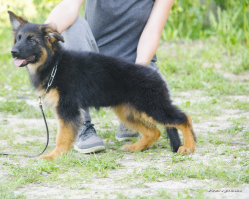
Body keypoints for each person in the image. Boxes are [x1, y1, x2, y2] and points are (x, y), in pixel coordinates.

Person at [45, 0, 176, 154]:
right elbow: (68, 6)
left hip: (133, 66)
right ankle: (82, 126)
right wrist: (40, 40)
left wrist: (135, 82)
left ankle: (131, 119)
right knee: (74, 25)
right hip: (96, 66)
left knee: (163, 106)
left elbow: (152, 31)